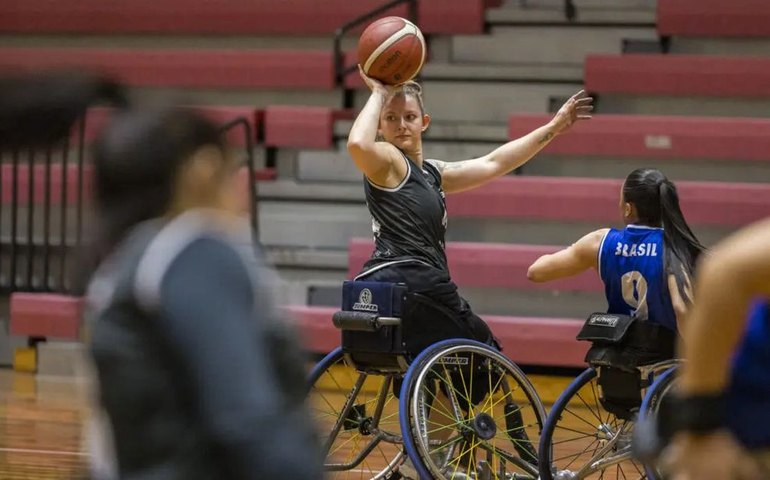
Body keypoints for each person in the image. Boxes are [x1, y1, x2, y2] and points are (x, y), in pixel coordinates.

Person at [83, 107, 321, 480]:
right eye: (233, 169)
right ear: (205, 168)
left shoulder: (135, 254)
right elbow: (246, 419)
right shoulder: (195, 250)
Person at [348, 66, 593, 353]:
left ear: (424, 122)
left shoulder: (433, 174)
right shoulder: (387, 160)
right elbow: (357, 143)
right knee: (483, 348)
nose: (401, 124)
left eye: (409, 117)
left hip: (386, 283)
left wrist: (552, 128)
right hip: (416, 280)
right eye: (391, 118)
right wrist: (378, 93)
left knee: (434, 366)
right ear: (379, 126)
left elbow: (495, 163)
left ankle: (429, 396)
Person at [527, 168, 705, 339]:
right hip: (662, 357)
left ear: (628, 208)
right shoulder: (674, 246)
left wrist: (576, 248)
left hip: (618, 354)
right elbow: (682, 309)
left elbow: (536, 272)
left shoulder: (600, 242)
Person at [660, 217, 770, 480]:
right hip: (746, 418)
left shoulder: (605, 240)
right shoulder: (671, 250)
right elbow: (724, 271)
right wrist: (700, 427)